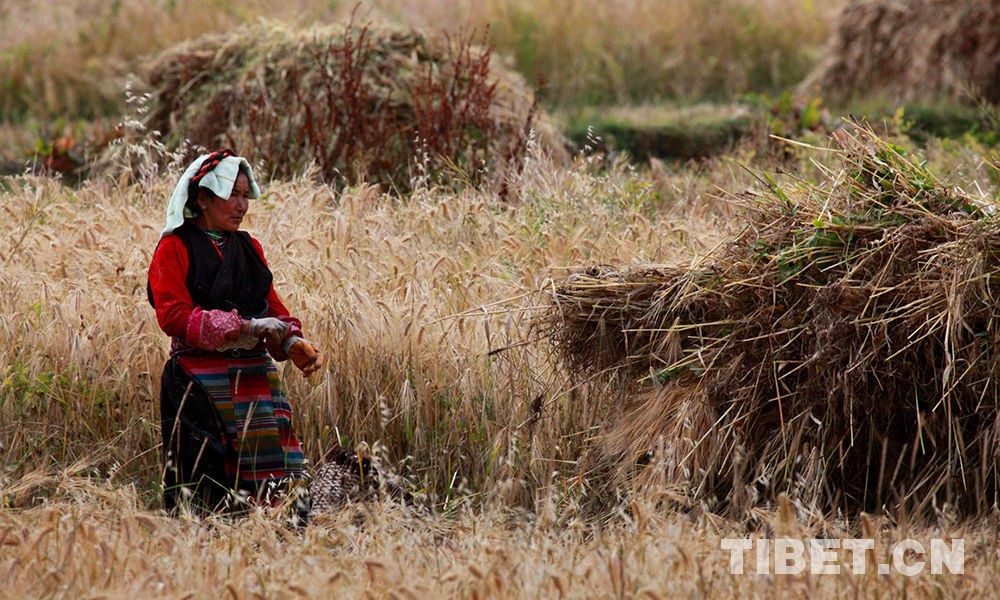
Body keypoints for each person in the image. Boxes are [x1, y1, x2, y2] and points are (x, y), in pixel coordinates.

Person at [147, 148, 324, 515]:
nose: (242, 205)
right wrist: (242, 327)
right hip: (198, 382)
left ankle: (272, 553)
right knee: (203, 493)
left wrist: (293, 343)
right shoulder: (174, 248)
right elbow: (174, 316)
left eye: (245, 195)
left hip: (256, 383)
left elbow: (272, 308)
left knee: (276, 492)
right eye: (232, 194)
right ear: (203, 199)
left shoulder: (249, 248)